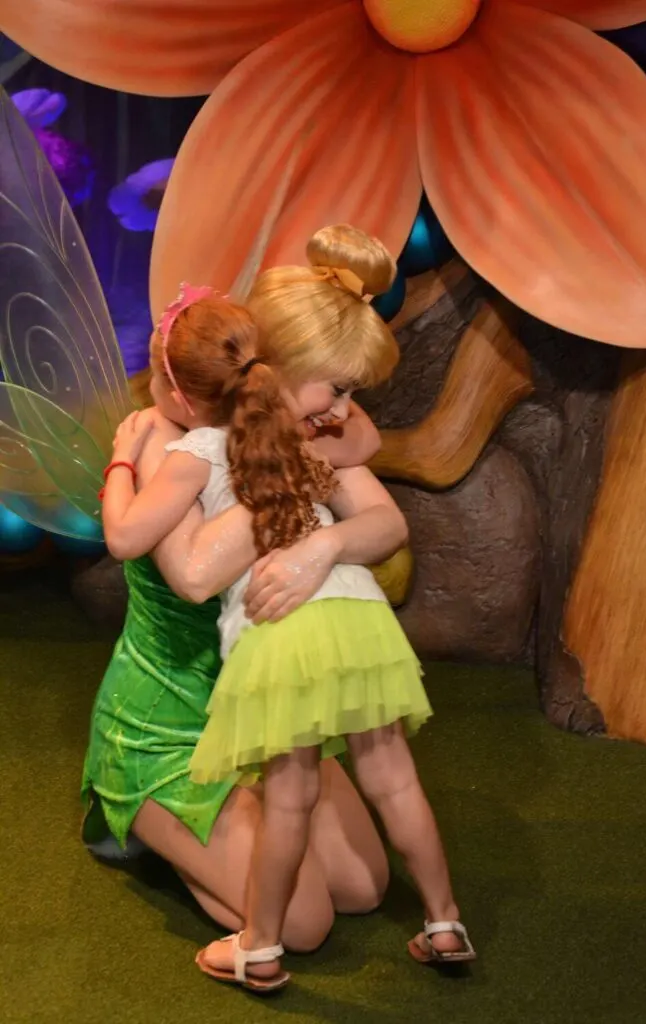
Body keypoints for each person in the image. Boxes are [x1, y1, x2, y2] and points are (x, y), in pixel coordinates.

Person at [101, 225, 476, 992]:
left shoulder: (314, 430)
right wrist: (295, 472)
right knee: (304, 924)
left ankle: (250, 870)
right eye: (334, 390)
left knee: (365, 888)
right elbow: (197, 576)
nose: (345, 411)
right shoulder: (169, 443)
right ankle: (149, 830)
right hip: (174, 726)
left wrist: (319, 547)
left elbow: (382, 514)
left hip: (272, 701)